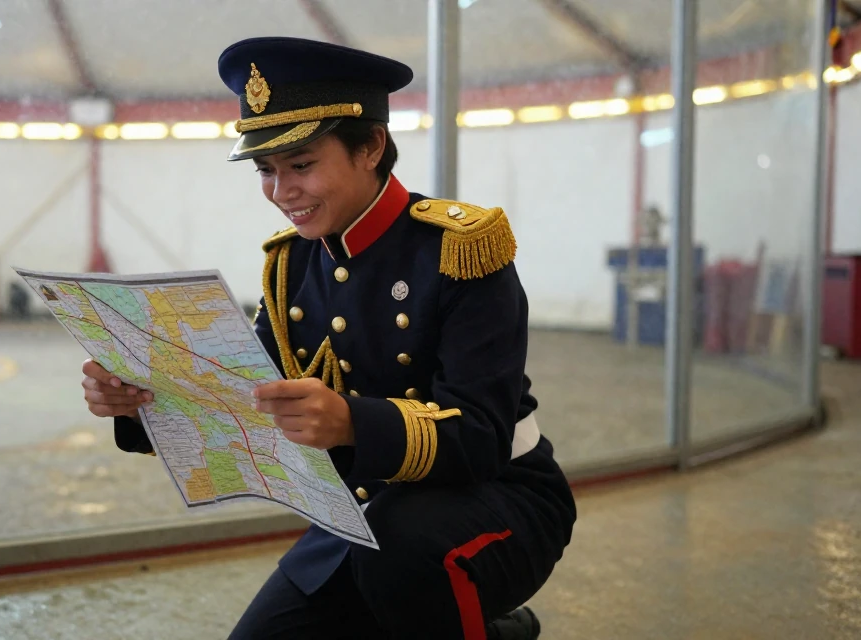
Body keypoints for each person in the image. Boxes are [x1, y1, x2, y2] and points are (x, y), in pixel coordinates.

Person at [80, 36, 576, 640]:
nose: (282, 192)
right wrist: (141, 400)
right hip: (364, 513)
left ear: (370, 146)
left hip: (499, 496)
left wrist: (350, 423)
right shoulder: (291, 267)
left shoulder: (462, 250)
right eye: (267, 170)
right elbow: (244, 397)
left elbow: (480, 436)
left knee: (399, 560)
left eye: (303, 165)